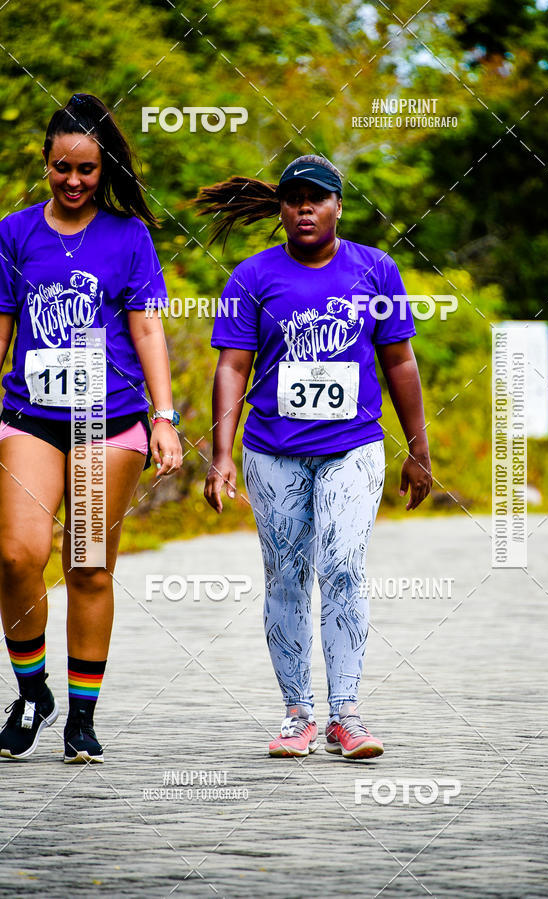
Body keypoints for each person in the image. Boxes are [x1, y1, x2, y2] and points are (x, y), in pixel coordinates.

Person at [200, 155, 432, 759]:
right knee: (286, 576)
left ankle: (347, 713)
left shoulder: (375, 270)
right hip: (272, 451)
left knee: (344, 566)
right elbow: (231, 366)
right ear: (280, 209)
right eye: (293, 199)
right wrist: (220, 454)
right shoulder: (251, 278)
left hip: (353, 446)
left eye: (317, 198)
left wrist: (419, 449)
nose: (304, 208)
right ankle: (297, 713)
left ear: (337, 206)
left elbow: (400, 361)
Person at [0, 93, 182, 764]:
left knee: (86, 562)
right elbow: (2, 326)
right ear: (45, 164)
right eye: (60, 168)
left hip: (108, 421)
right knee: (18, 555)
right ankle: (29, 692)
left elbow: (146, 327)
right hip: (30, 417)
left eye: (86, 170)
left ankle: (81, 716)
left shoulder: (128, 235)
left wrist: (164, 417)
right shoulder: (13, 233)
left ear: (103, 170)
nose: (73, 182)